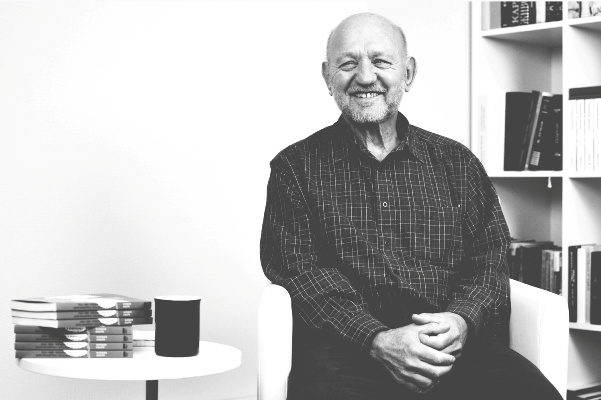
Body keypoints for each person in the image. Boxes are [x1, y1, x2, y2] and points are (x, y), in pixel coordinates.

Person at [260, 12, 563, 400]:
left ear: (408, 73)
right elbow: (299, 272)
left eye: (381, 61)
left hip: (454, 351)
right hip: (345, 354)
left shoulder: (458, 163)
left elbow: (490, 258)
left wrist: (462, 320)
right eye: (348, 63)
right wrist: (377, 339)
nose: (365, 77)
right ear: (327, 76)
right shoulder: (295, 169)